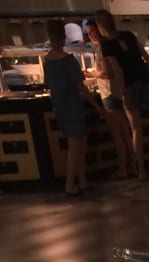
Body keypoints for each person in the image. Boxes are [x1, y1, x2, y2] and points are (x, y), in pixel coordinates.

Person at [93, 8, 149, 181]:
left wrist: (123, 92)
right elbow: (146, 57)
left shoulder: (106, 46)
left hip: (130, 87)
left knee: (136, 130)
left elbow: (118, 70)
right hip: (146, 81)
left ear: (100, 26)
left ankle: (141, 171)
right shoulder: (129, 35)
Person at [43, 18, 105, 196]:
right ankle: (70, 185)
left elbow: (48, 84)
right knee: (76, 148)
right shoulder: (68, 60)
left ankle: (82, 181)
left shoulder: (47, 61)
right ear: (63, 36)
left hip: (59, 105)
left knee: (78, 144)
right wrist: (97, 106)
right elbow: (81, 87)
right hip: (72, 106)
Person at [85, 19, 136, 179]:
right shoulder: (109, 46)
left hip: (109, 94)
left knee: (117, 134)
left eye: (92, 31)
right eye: (88, 33)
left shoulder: (103, 48)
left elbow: (107, 73)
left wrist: (90, 73)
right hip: (118, 92)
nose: (90, 36)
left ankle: (123, 168)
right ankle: (133, 165)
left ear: (100, 30)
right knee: (125, 132)